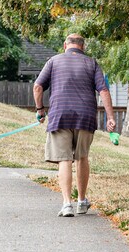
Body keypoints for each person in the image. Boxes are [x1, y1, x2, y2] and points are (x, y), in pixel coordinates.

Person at [33, 34, 116, 217]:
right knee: (82, 157)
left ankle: (66, 204)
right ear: (83, 47)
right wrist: (110, 117)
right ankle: (81, 201)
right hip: (85, 116)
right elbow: (103, 90)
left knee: (64, 159)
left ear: (65, 45)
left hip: (60, 116)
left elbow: (38, 87)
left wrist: (40, 110)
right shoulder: (91, 63)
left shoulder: (53, 61)